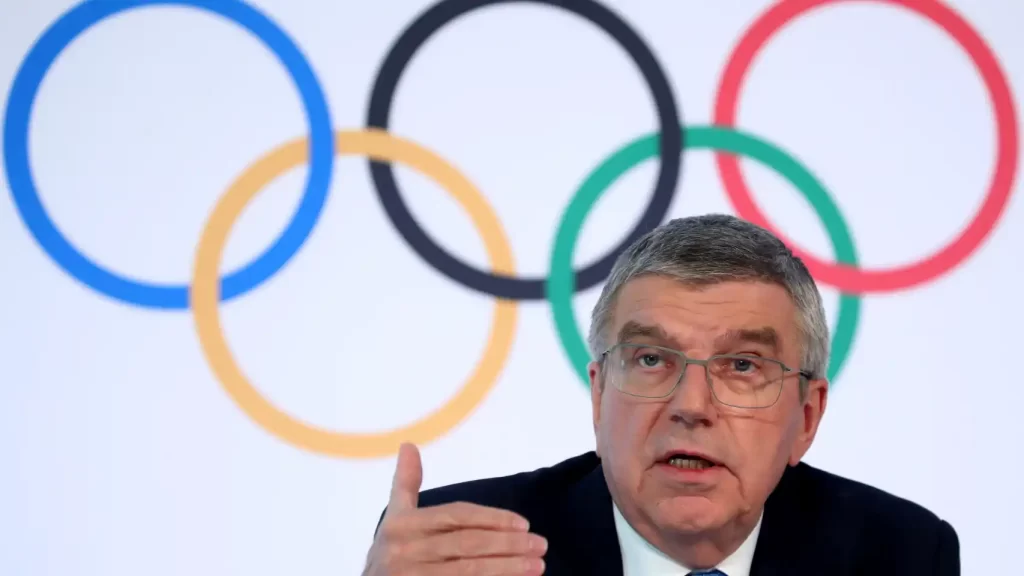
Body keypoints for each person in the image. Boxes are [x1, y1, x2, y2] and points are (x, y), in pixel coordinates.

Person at [361, 214, 960, 575]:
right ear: (599, 396)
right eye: (651, 359)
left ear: (806, 418)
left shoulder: (901, 555)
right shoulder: (461, 551)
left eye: (742, 365)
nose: (692, 405)